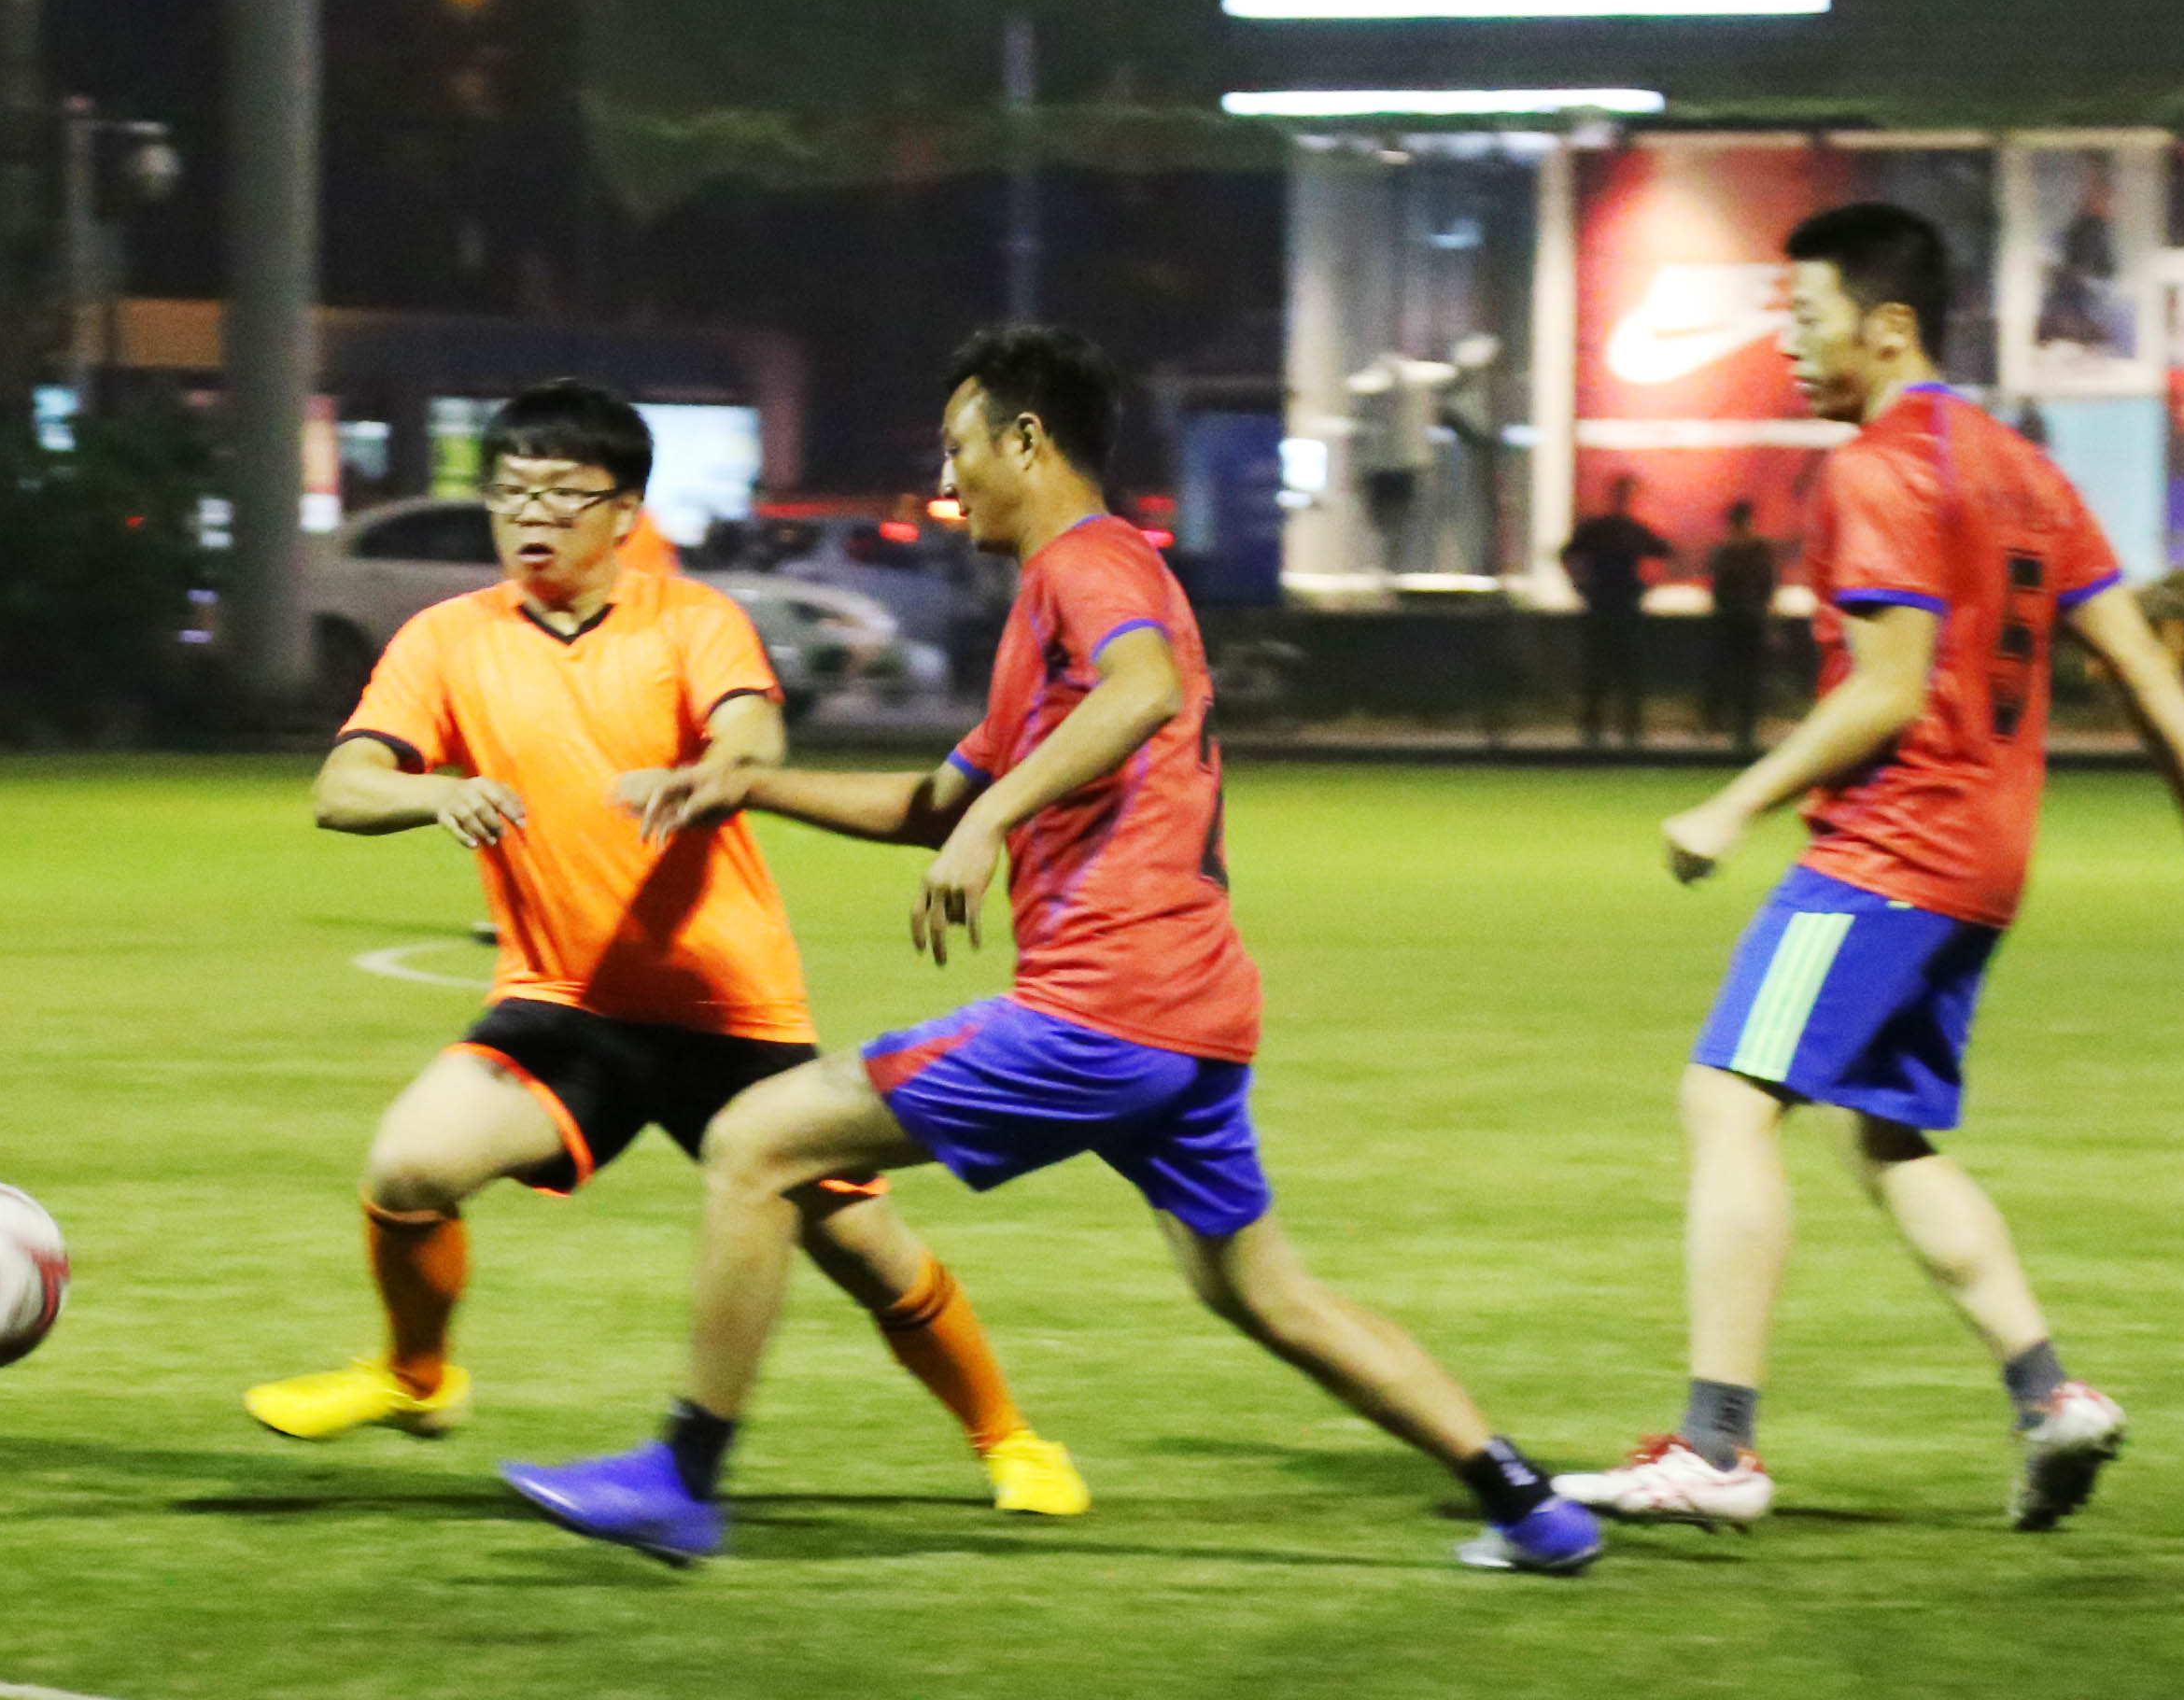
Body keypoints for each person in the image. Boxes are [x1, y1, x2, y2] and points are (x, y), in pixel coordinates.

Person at [499, 323, 1605, 1576]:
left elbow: (1144, 693)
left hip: (1103, 1008)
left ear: (1026, 440)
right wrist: (746, 784)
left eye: (958, 446)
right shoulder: (1049, 608)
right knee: (1263, 1293)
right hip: (1189, 1014)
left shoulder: (1091, 562)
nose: (947, 477)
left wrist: (996, 824)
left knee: (755, 1140)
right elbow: (936, 802)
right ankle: (1529, 1503)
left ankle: (681, 1480)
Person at [244, 381, 1080, 1517]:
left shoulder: (692, 621)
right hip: (565, 1003)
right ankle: (416, 1378)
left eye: (562, 496)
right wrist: (431, 793)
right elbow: (341, 788)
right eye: (511, 494)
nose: (531, 518)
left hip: (728, 1011)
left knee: (861, 1244)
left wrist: (721, 769)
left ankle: (1009, 1439)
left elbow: (750, 727)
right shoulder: (445, 639)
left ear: (625, 511)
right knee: (409, 1169)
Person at [1564, 202, 2184, 1537]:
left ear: (1887, 328)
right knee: (1887, 1135)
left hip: (1894, 848)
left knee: (1725, 1099)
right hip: (1986, 860)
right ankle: (2052, 1397)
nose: (1788, 344)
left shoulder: (1878, 470)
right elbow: (2133, 655)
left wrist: (1733, 805)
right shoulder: (2020, 467)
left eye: (1806, 318)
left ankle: (1716, 1448)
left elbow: (1890, 689)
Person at [1563, 476, 1670, 749]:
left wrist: (1581, 586)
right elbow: (1664, 552)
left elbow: (1664, 552)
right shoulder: (1616, 530)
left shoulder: (1617, 530)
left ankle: (1611, 729)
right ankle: (1610, 729)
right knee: (1611, 671)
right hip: (1613, 606)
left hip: (1613, 605)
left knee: (1614, 671)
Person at [1700, 499, 1782, 750]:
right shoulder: (1759, 549)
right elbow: (1769, 583)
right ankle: (1744, 727)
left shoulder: (1724, 551)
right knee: (1750, 675)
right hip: (1751, 618)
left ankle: (1719, 723)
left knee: (1726, 672)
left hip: (1728, 618)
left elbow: (1717, 585)